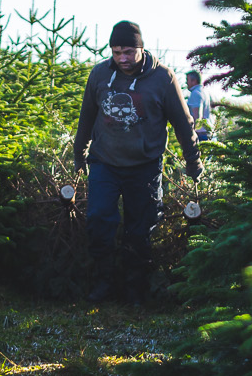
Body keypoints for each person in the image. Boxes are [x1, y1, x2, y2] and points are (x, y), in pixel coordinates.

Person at [72, 20, 199, 304]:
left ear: (141, 48)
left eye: (128, 51)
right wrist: (79, 152)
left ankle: (134, 290)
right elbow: (87, 117)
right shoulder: (100, 75)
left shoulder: (162, 78)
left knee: (140, 230)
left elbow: (183, 122)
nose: (122, 59)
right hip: (104, 162)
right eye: (116, 52)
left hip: (144, 166)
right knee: (98, 221)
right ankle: (102, 285)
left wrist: (193, 161)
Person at [183, 68, 214, 141]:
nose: (186, 83)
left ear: (194, 81)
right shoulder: (205, 92)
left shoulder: (195, 94)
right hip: (208, 131)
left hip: (200, 133)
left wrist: (193, 131)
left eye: (187, 80)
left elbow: (196, 114)